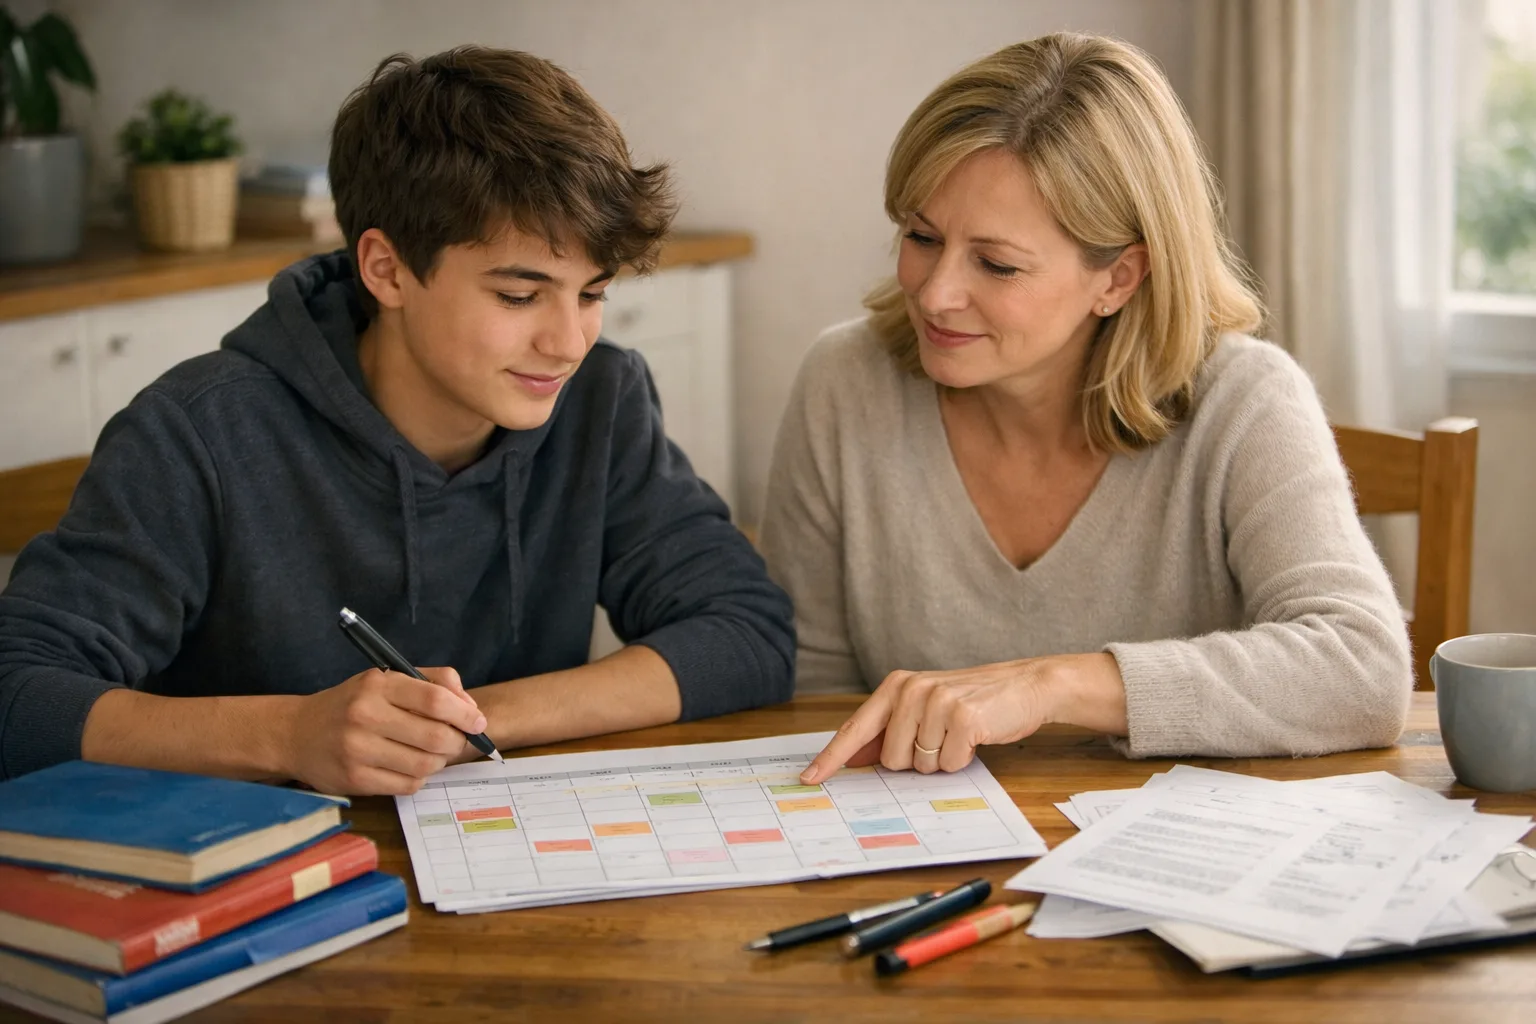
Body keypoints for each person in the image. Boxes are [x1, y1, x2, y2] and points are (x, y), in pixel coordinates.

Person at [0, 47, 794, 793]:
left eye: (591, 294)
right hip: (259, 887)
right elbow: (18, 694)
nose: (567, 343)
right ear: (385, 269)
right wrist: (288, 734)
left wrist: (458, 725)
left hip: (498, 861)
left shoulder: (602, 401)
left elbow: (745, 634)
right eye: (518, 296)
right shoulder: (198, 433)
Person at [760, 33, 1412, 786]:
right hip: (923, 856)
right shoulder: (845, 383)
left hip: (1174, 868)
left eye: (996, 264)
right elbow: (810, 688)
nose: (935, 293)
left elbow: (1362, 668)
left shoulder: (1246, 401)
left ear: (1120, 278)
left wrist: (1054, 685)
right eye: (921, 236)